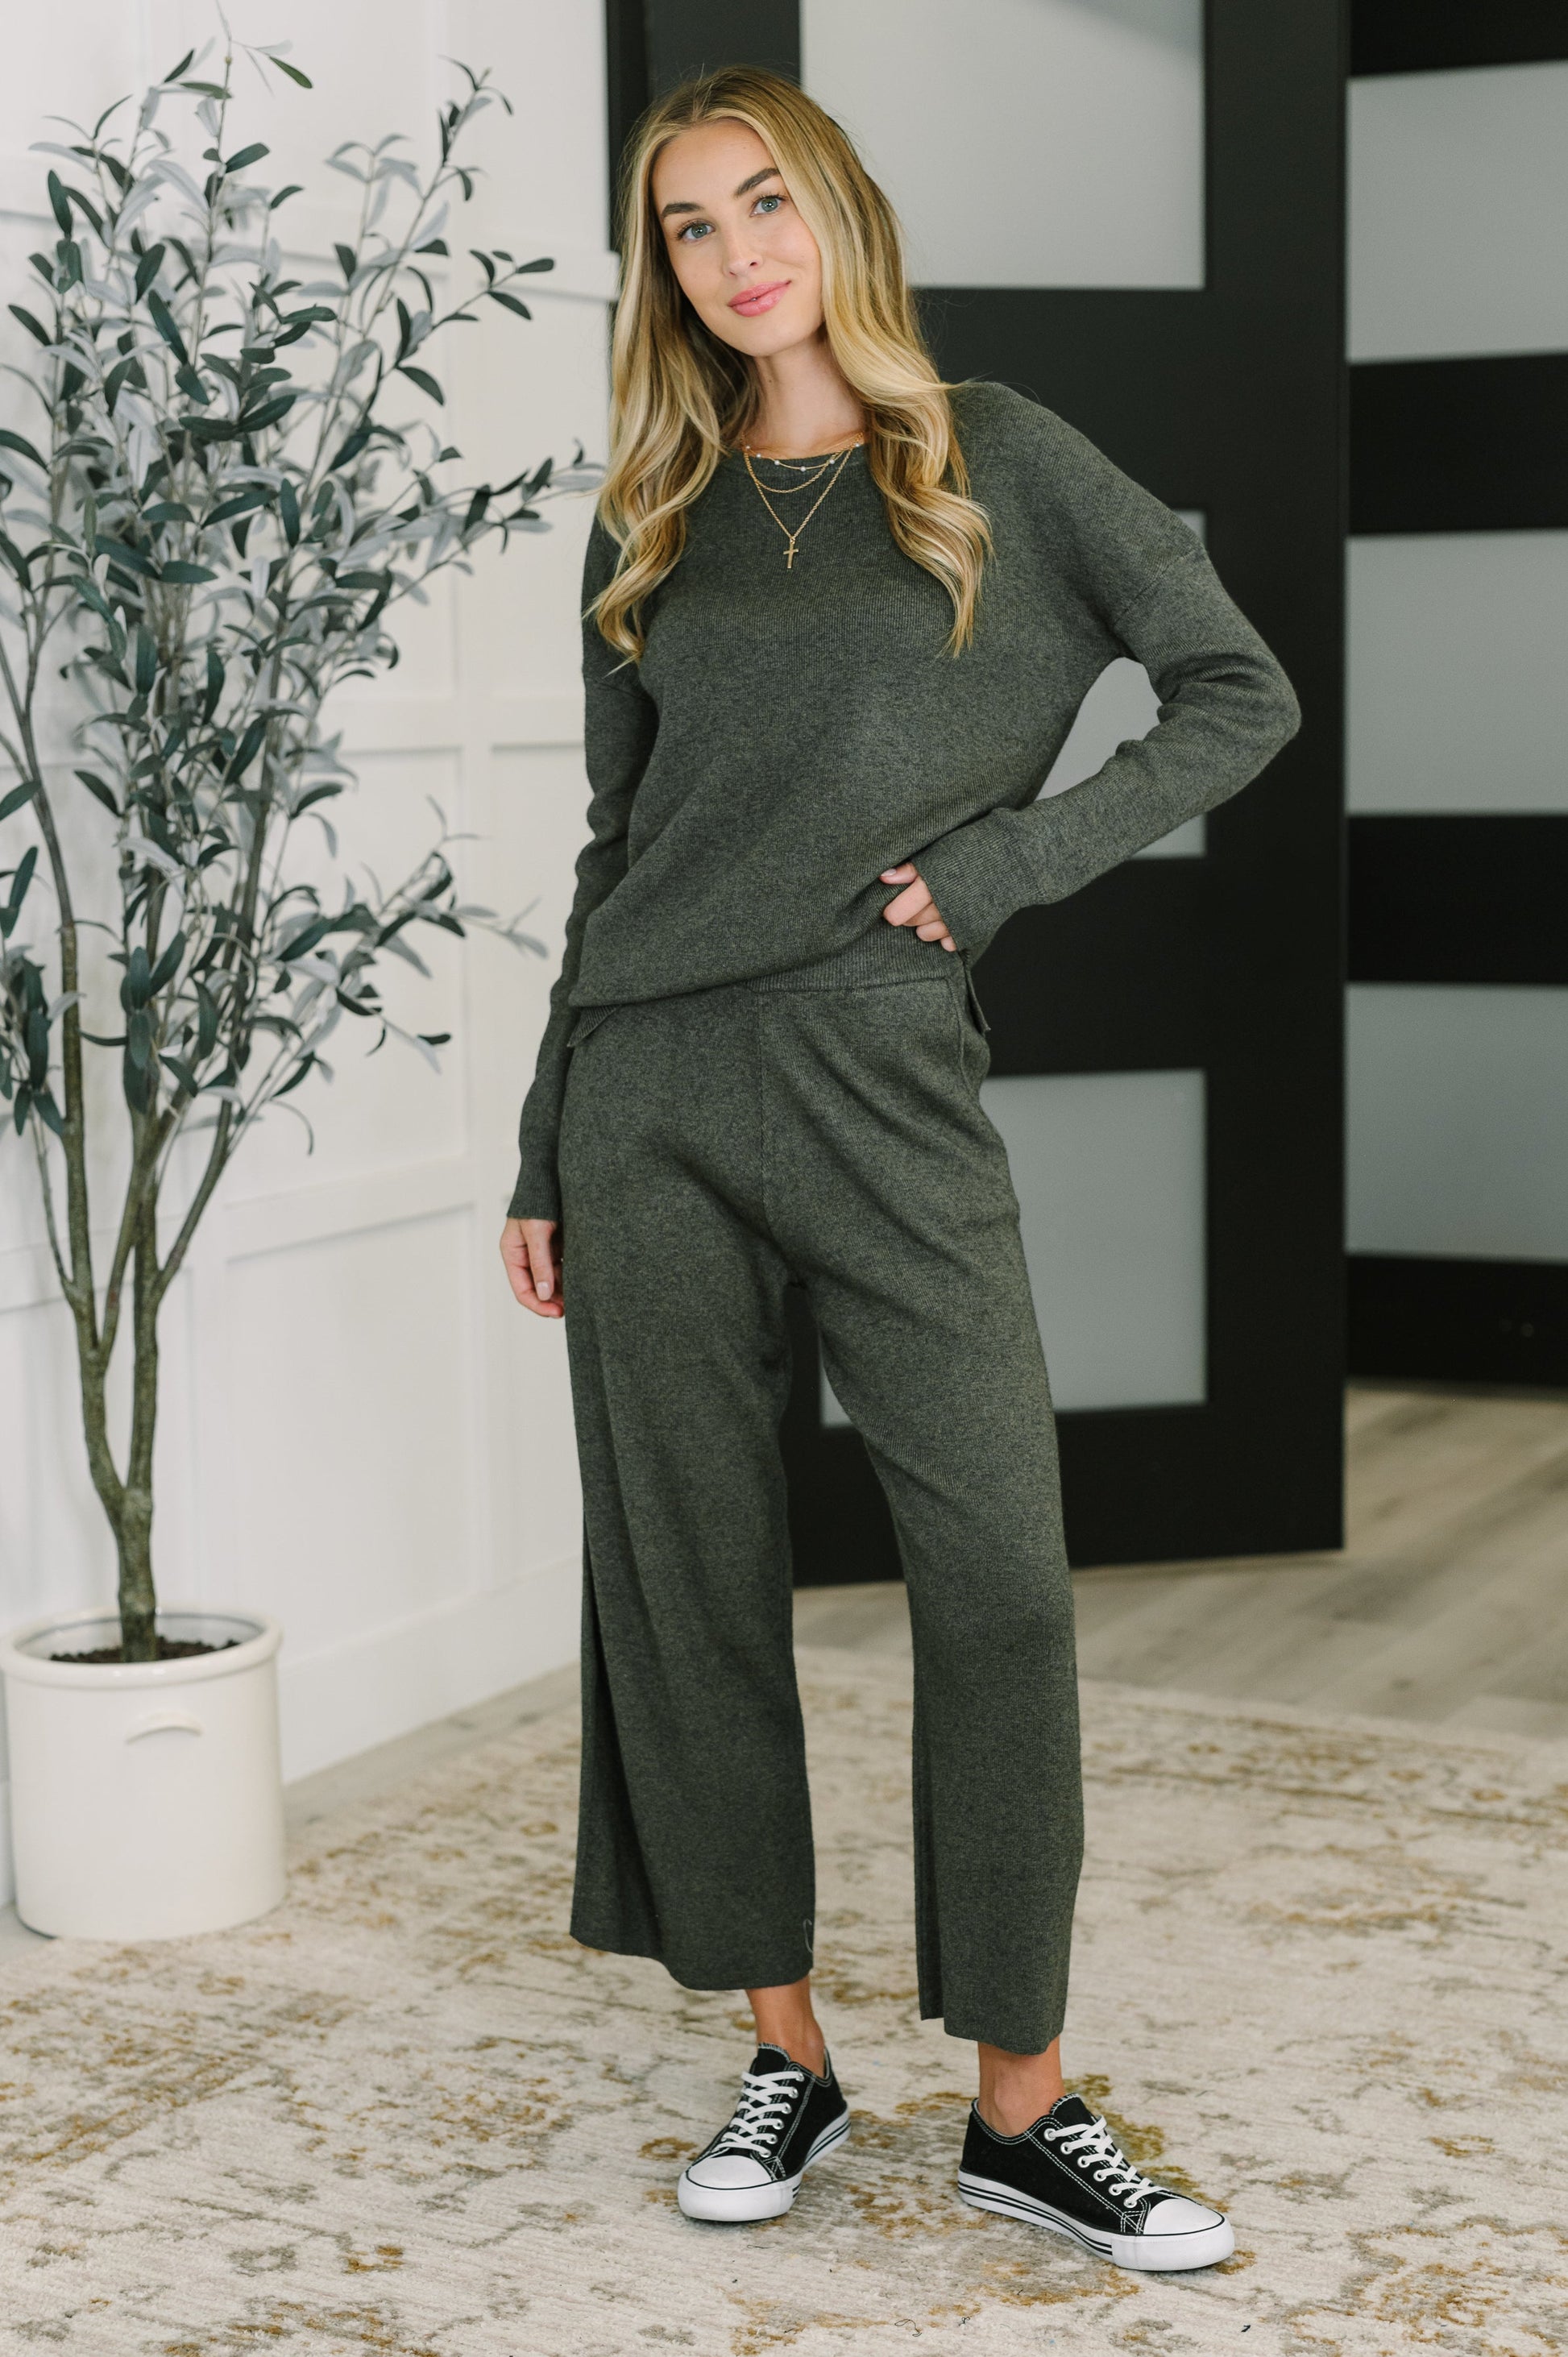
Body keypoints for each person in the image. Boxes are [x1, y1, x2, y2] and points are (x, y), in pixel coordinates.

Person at [500, 66, 1298, 2273]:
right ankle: (786, 2050)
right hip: (648, 1088)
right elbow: (611, 854)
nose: (734, 252)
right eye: (685, 227)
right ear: (658, 269)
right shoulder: (647, 514)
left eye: (763, 202)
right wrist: (541, 1140)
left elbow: (1235, 691)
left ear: (836, 210)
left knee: (998, 1579)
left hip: (875, 1072)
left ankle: (1021, 2107)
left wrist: (1009, 862)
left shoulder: (1003, 457)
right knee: (688, 1578)